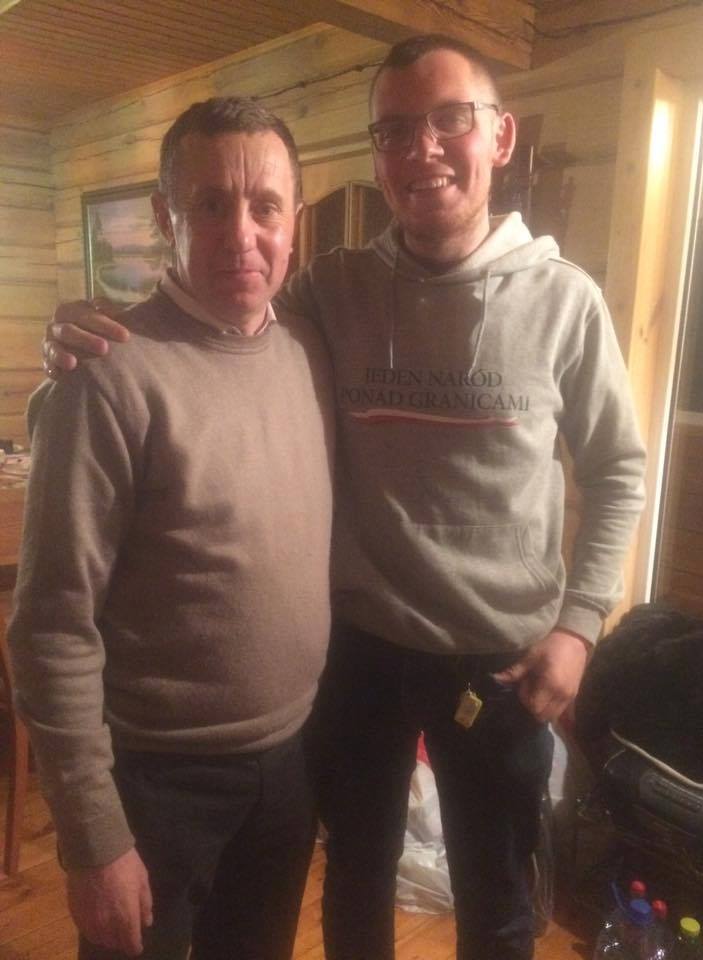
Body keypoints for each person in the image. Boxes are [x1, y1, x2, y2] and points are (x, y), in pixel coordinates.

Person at [42, 33, 646, 960]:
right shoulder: (332, 293)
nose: (423, 148)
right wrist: (77, 340)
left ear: (501, 137)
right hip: (358, 655)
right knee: (356, 885)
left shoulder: (565, 303)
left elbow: (618, 470)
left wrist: (580, 623)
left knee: (499, 903)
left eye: (450, 120)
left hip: (498, 662)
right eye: (396, 130)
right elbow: (204, 333)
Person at [9, 97, 335, 960]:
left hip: (288, 764)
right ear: (166, 217)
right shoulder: (104, 377)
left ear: (295, 220)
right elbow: (50, 627)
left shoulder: (310, 353)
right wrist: (92, 837)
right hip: (154, 783)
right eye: (211, 205)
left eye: (265, 206)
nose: (242, 234)